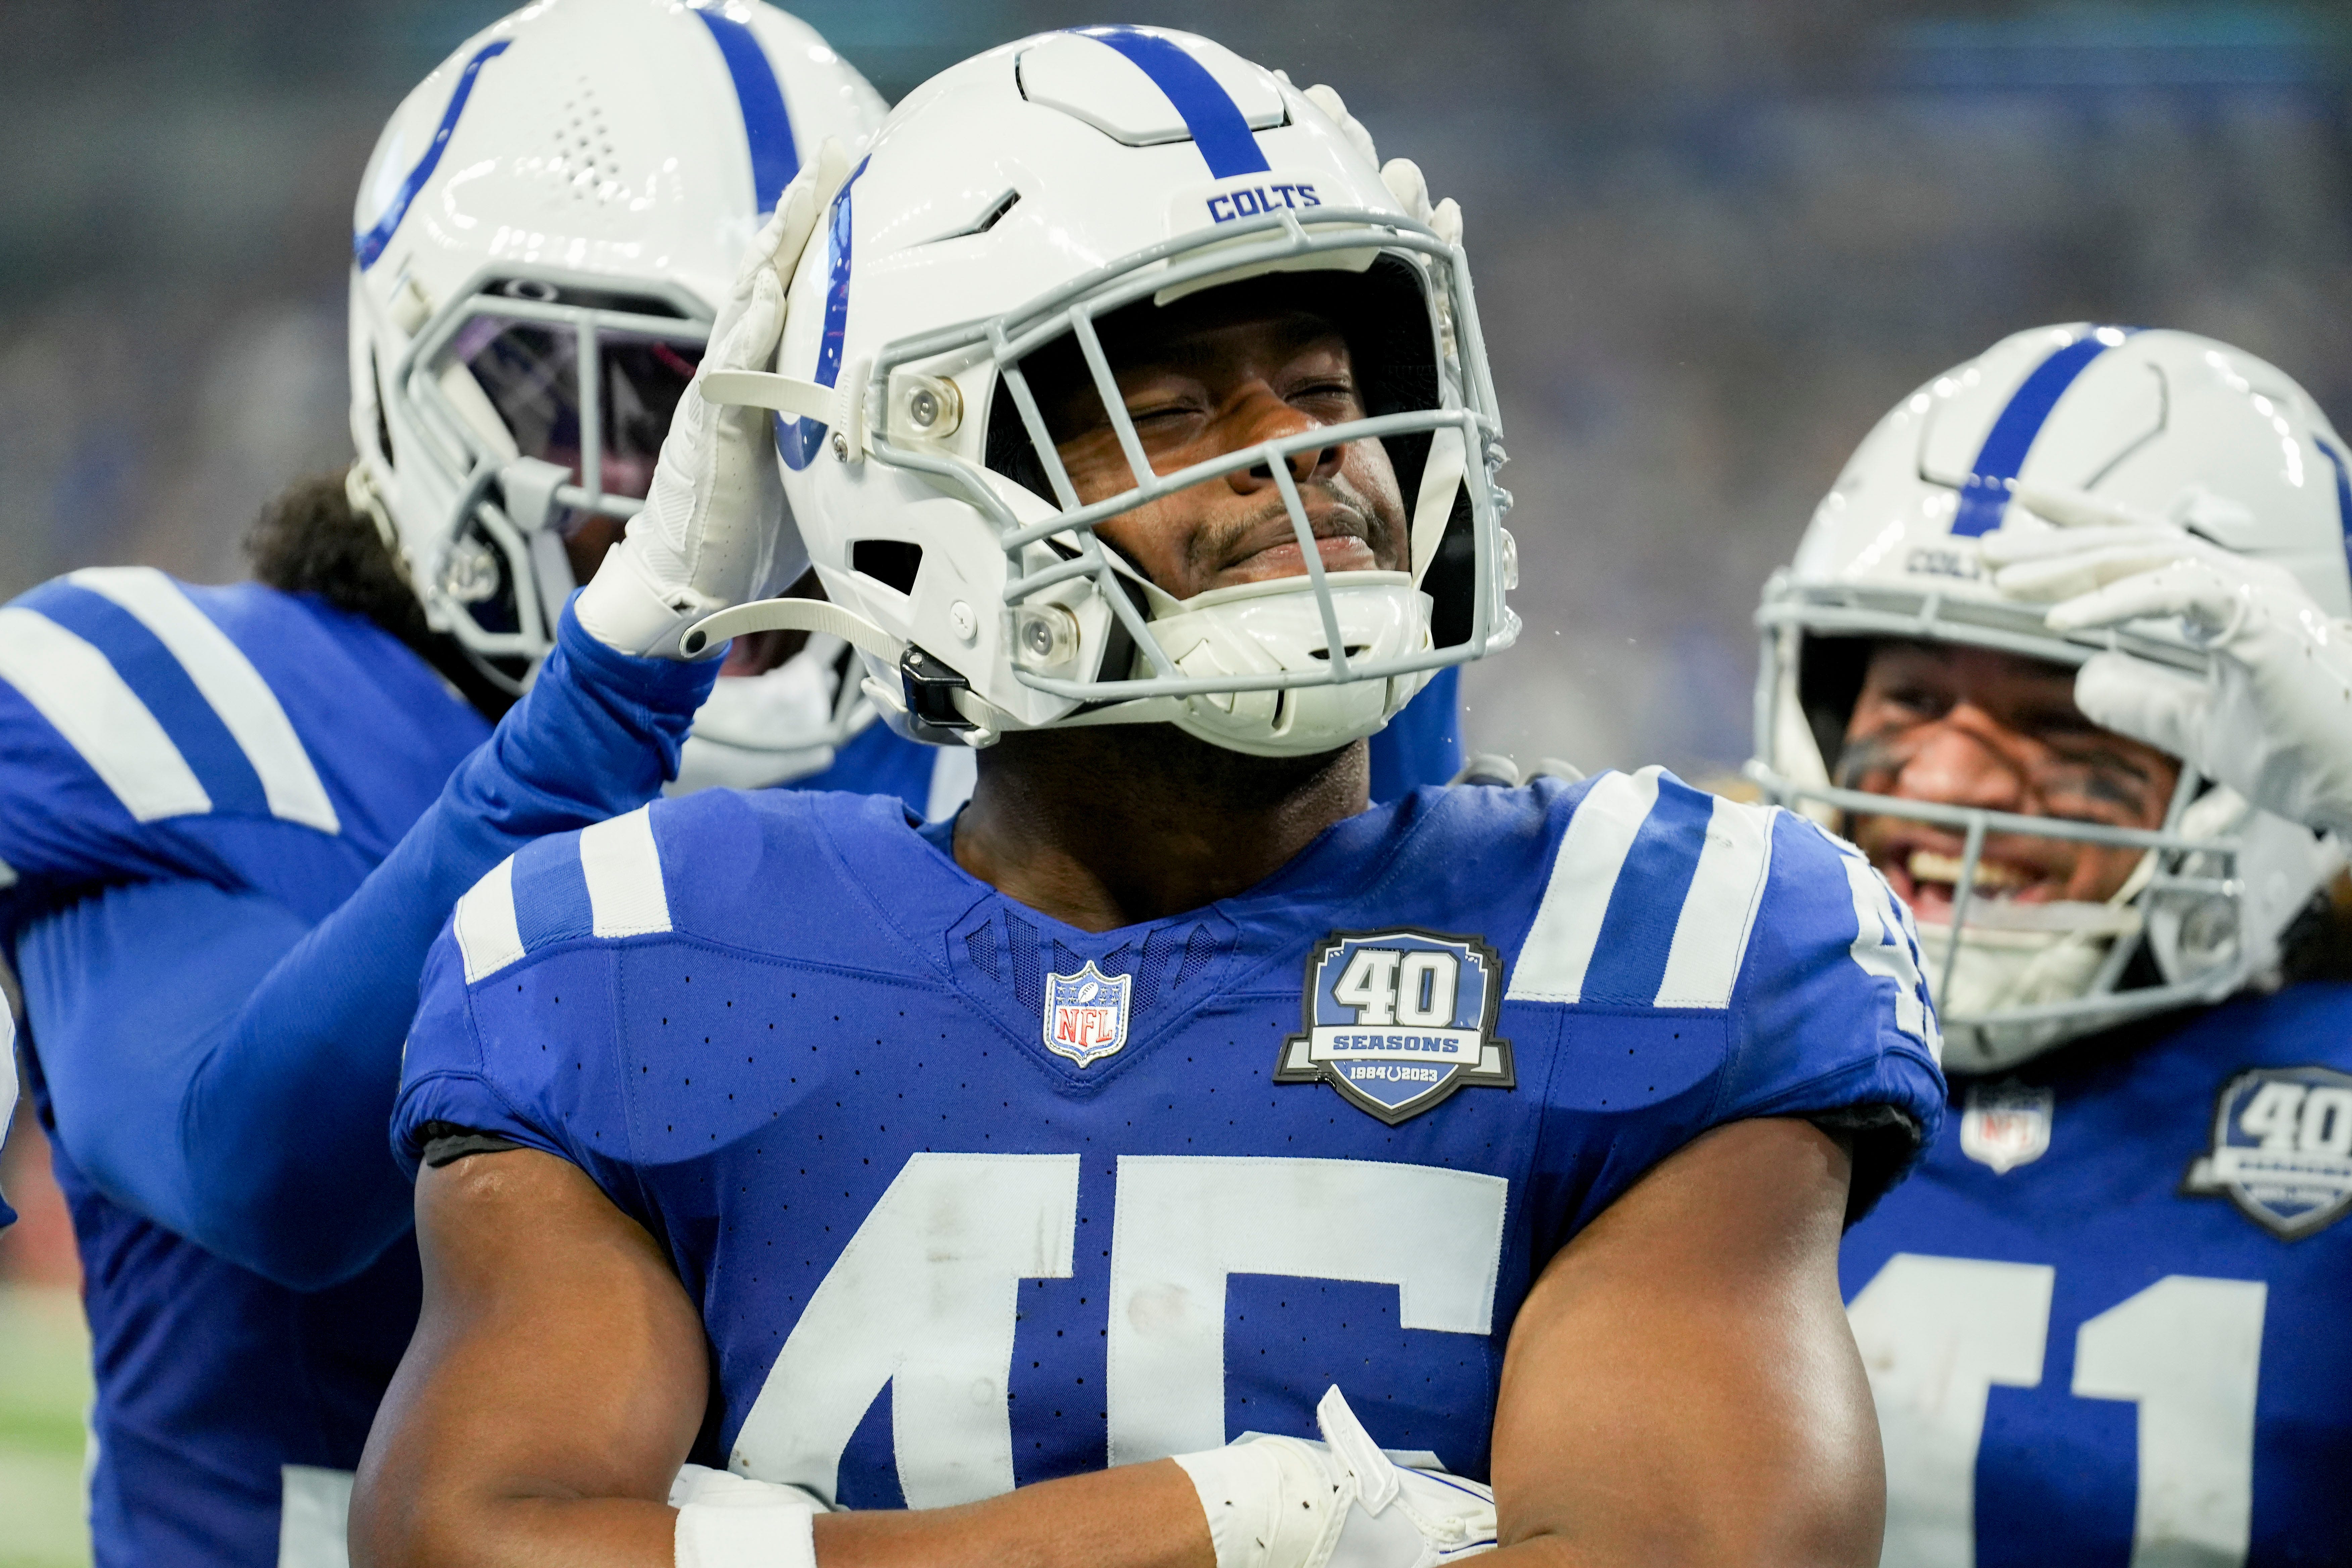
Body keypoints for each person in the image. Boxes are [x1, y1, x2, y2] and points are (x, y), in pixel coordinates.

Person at [356, 29, 1946, 1568]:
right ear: (919, 486)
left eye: (1325, 387)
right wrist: (1222, 1528)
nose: (1304, 457)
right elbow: (461, 1543)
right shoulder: (637, 952)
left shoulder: (1670, 941)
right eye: (1171, 412)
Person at [0, 2, 885, 1561]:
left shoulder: (950, 759)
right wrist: (612, 693)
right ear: (430, 380)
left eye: (799, 419)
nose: (723, 493)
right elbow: (266, 1167)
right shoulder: (190, 702)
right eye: (646, 404)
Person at [1748, 323, 2352, 1565]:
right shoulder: (1703, 1046)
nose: (1950, 776)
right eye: (1910, 696)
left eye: (2066, 710)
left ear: (2276, 759)